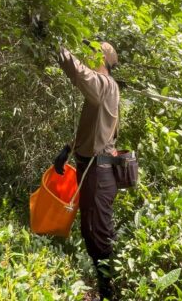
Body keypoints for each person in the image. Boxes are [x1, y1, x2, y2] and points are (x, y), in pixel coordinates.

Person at [53, 41, 120, 300]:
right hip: (92, 170)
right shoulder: (103, 91)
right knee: (93, 230)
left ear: (101, 58)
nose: (88, 58)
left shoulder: (104, 85)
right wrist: (69, 148)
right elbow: (93, 129)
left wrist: (56, 47)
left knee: (98, 233)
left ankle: (110, 290)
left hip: (97, 173)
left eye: (92, 54)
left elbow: (80, 73)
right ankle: (108, 285)